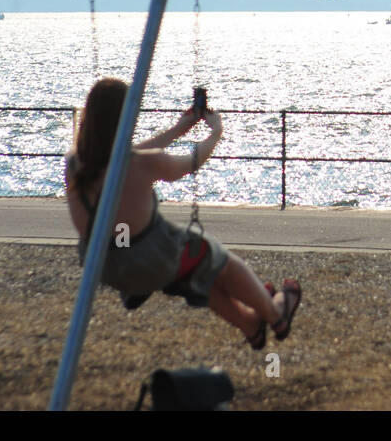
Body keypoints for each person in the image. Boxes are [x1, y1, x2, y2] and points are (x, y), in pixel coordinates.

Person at [65, 77, 300, 349]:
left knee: (196, 275)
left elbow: (120, 157)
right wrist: (215, 132)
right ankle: (276, 316)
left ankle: (251, 324)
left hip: (105, 266)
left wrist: (177, 130)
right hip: (146, 263)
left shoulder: (75, 164)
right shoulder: (143, 163)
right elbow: (191, 161)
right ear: (125, 117)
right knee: (220, 260)